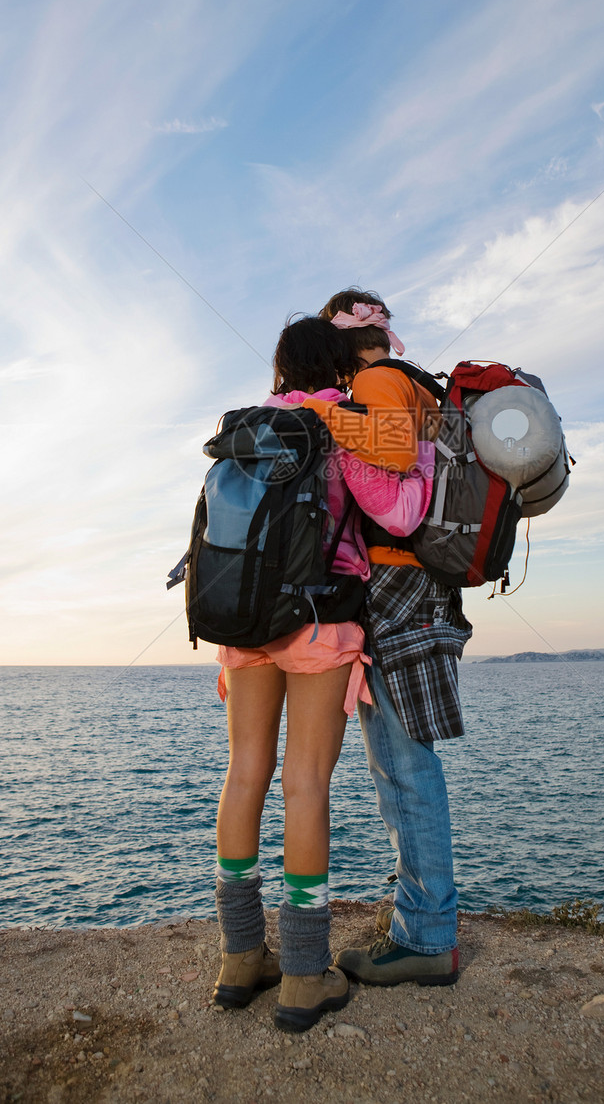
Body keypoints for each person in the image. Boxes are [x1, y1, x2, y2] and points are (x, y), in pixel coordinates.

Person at [212, 316, 435, 1032]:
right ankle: (305, 976)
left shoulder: (247, 427)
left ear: (279, 366)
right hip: (318, 620)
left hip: (242, 620)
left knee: (245, 773)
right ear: (335, 367)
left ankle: (241, 960)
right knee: (306, 783)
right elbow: (393, 515)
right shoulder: (340, 422)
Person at [300, 288, 472, 987]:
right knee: (404, 759)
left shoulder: (374, 384)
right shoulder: (411, 383)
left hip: (399, 584)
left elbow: (396, 468)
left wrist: (324, 413)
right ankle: (420, 920)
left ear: (342, 342)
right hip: (423, 584)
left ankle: (428, 939)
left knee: (402, 763)